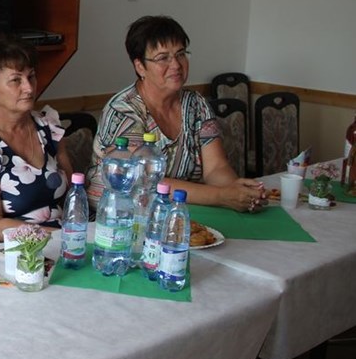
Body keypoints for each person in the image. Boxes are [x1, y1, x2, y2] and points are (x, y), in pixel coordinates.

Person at [87, 15, 266, 212]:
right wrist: (222, 196)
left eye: (181, 54)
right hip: (121, 216)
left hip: (181, 210)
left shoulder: (196, 105)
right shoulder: (124, 111)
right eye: (163, 58)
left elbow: (216, 167)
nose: (176, 65)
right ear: (140, 67)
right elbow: (146, 183)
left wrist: (238, 191)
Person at [0, 34, 73, 242]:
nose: (29, 88)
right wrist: (62, 237)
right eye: (16, 80)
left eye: (31, 76)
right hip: (12, 248)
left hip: (66, 242)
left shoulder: (49, 127)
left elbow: (74, 195)